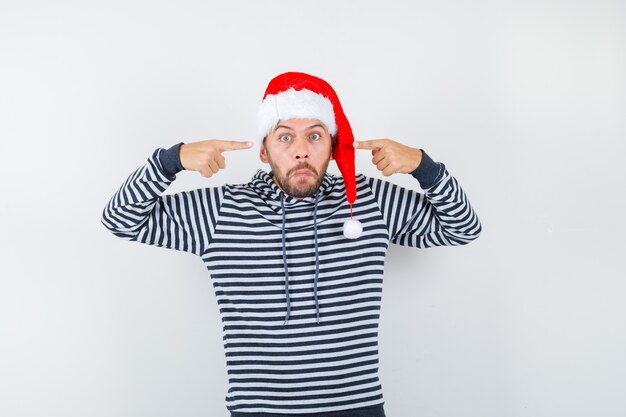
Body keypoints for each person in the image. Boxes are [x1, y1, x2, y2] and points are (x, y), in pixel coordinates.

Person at [100, 72, 482, 417]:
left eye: (315, 136)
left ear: (332, 147)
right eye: (285, 137)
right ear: (264, 151)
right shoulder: (220, 210)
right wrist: (170, 161)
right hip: (259, 410)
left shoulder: (369, 201)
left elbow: (463, 227)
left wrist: (423, 167)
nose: (301, 150)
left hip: (358, 407)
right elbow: (119, 219)